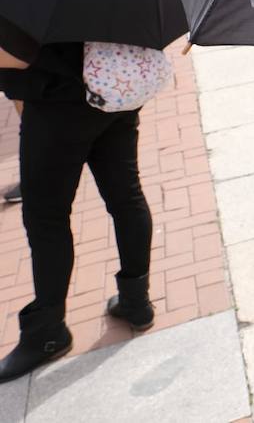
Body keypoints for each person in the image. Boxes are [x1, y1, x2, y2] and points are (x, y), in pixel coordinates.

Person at [0, 22, 155, 381]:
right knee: (126, 196)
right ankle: (137, 301)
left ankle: (47, 333)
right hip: (115, 87)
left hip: (60, 106)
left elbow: (19, 54)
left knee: (46, 218)